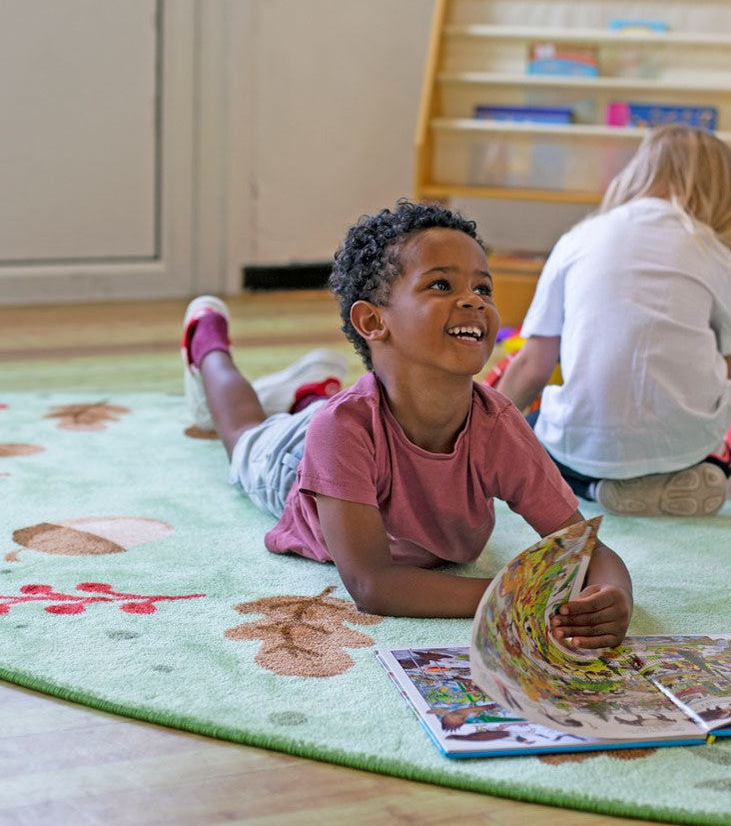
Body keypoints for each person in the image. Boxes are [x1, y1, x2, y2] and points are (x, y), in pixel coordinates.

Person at [181, 200, 632, 648]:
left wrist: (612, 596)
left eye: (483, 288)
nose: (473, 300)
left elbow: (586, 549)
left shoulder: (500, 427)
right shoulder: (342, 429)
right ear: (373, 321)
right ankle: (208, 345)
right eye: (441, 284)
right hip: (292, 466)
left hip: (345, 424)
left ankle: (308, 393)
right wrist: (516, 596)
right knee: (240, 433)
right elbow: (373, 584)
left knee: (321, 413)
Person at [494, 124, 731, 517]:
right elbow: (727, 370)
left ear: (637, 173)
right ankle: (698, 468)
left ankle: (594, 486)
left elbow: (534, 364)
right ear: (725, 194)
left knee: (534, 433)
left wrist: (487, 432)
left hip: (583, 444)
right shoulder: (712, 253)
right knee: (719, 452)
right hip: (682, 447)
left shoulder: (578, 238)